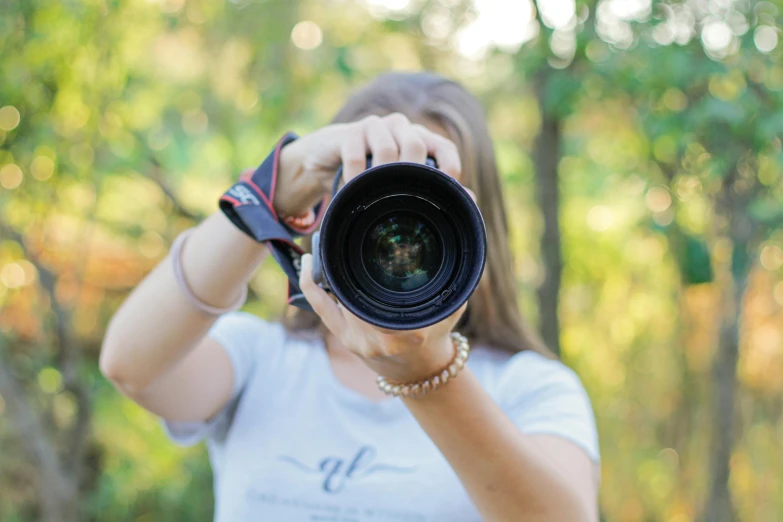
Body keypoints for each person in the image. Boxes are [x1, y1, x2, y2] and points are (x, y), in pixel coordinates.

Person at [100, 72, 600, 522]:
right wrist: (272, 188)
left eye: (429, 193)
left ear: (475, 222)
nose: (398, 231)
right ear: (324, 206)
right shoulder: (259, 358)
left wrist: (428, 376)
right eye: (369, 188)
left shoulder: (532, 389)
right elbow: (131, 365)